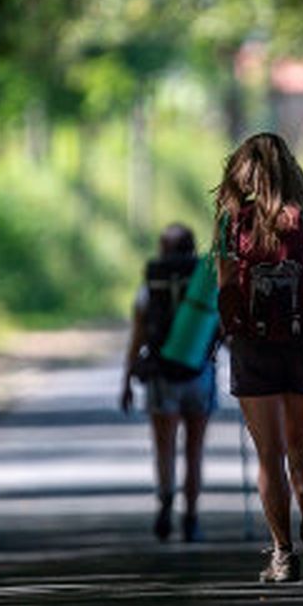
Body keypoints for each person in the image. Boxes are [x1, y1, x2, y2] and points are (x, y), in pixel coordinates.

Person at [214, 132, 303, 583]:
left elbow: (225, 289)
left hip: (253, 346)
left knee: (268, 454)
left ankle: (283, 554)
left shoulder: (232, 221)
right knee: (300, 443)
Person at [120, 223, 217, 543]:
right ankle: (191, 519)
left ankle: (165, 504)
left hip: (161, 375)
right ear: (192, 248)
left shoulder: (151, 285)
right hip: (201, 373)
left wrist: (126, 381)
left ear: (162, 249)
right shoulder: (205, 285)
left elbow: (137, 337)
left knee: (165, 448)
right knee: (195, 451)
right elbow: (222, 329)